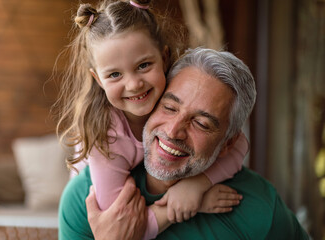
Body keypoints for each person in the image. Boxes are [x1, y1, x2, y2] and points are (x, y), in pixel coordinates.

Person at [59, 47, 309, 239]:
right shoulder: (87, 201)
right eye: (169, 107)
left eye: (201, 123)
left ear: (227, 145)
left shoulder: (260, 208)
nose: (173, 130)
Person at [56, 0, 248, 239]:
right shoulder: (106, 140)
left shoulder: (176, 93)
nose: (134, 84)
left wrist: (197, 184)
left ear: (164, 58)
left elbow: (237, 144)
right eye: (115, 74)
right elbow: (124, 230)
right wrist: (187, 204)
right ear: (98, 79)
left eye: (144, 65)